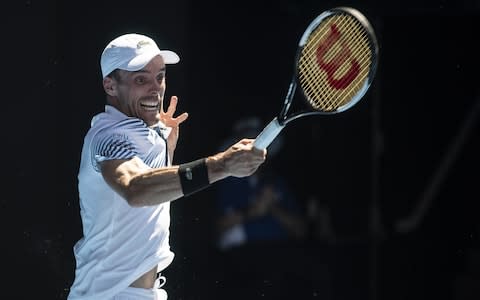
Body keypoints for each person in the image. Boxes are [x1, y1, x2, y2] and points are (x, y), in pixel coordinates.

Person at [67, 33, 266, 300]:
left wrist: (165, 147)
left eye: (159, 76)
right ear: (110, 86)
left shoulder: (148, 131)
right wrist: (222, 164)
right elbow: (135, 188)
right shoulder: (109, 137)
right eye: (141, 79)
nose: (155, 88)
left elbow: (149, 182)